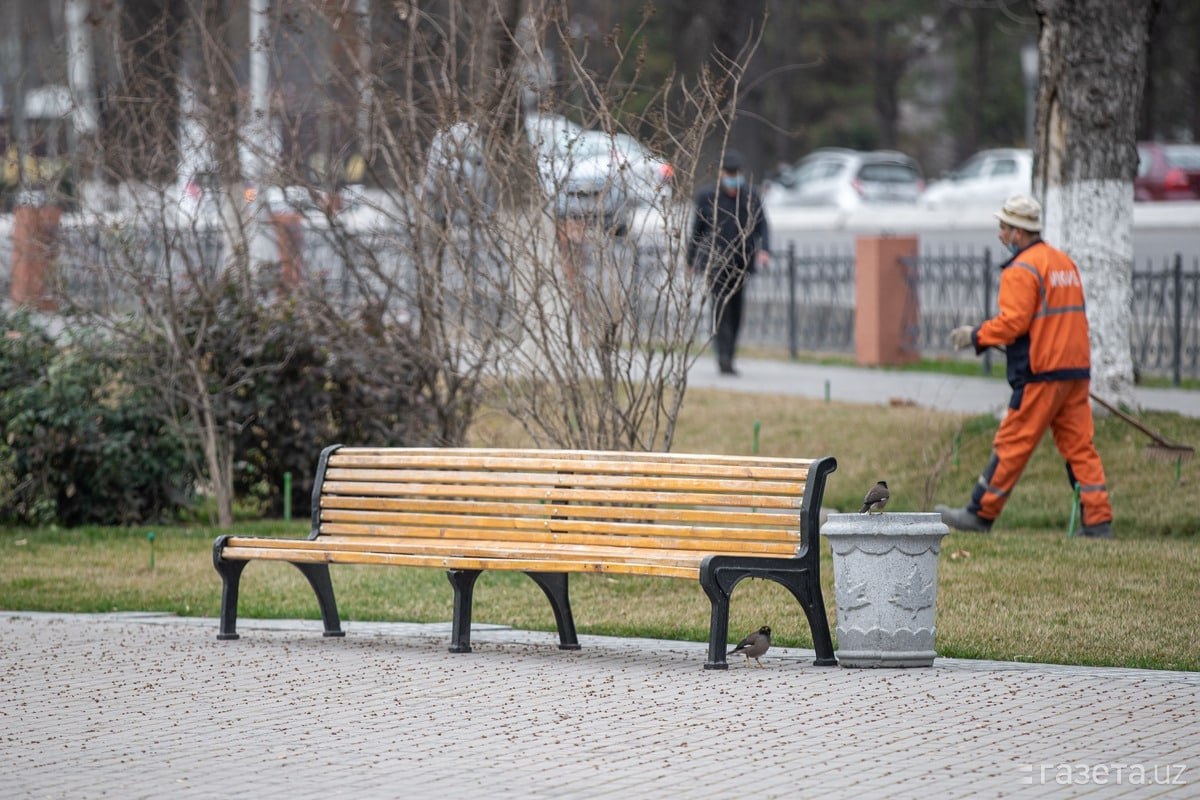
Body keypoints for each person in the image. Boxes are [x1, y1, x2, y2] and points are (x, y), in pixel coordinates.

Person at [936, 194, 1114, 538]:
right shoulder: (1063, 263)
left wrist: (976, 335)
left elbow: (1014, 323)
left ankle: (979, 513)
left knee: (1012, 442)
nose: (1000, 235)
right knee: (1080, 446)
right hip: (1074, 372)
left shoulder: (1022, 270)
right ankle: (1098, 521)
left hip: (1041, 374)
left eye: (1004, 228)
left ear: (1019, 232)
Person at [687, 149, 770, 375]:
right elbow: (697, 231)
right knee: (719, 308)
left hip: (741, 262)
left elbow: (763, 226)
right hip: (715, 262)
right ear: (722, 173)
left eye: (736, 173)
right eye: (729, 173)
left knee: (736, 310)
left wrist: (764, 250)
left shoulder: (751, 196)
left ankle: (730, 354)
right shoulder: (708, 196)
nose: (733, 177)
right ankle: (722, 355)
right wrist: (691, 260)